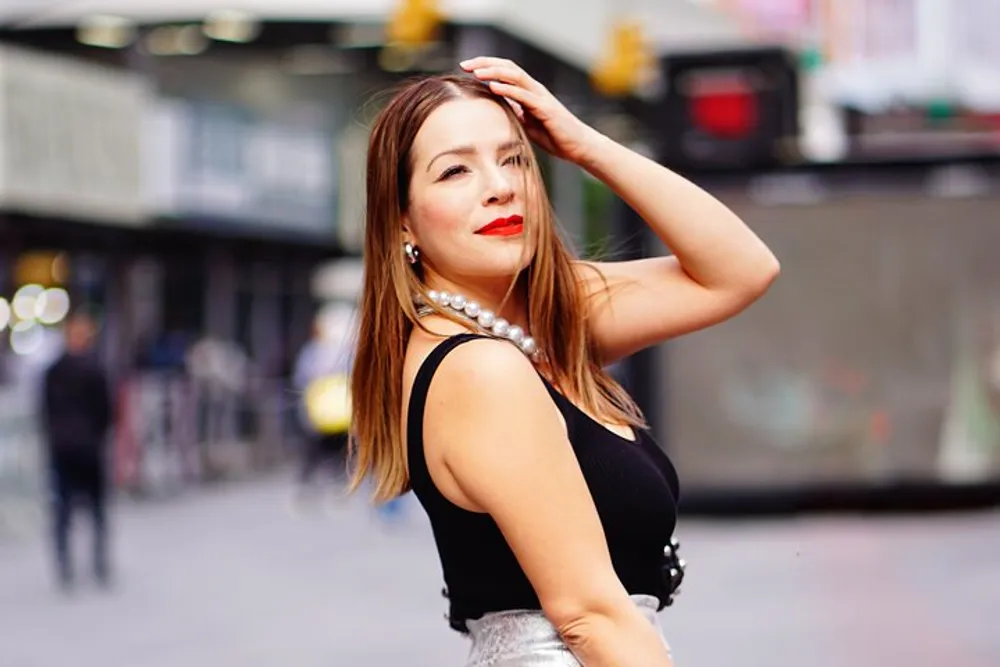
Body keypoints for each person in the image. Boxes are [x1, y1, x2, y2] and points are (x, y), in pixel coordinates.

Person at [348, 57, 779, 666]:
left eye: (515, 157)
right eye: (454, 172)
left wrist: (586, 145)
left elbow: (741, 270)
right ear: (401, 222)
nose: (499, 185)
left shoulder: (546, 323)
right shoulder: (478, 370)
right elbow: (588, 617)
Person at [40, 310, 115, 592]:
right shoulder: (84, 369)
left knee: (84, 510)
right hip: (74, 448)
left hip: (77, 448)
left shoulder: (62, 370)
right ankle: (73, 567)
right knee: (73, 511)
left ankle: (91, 565)